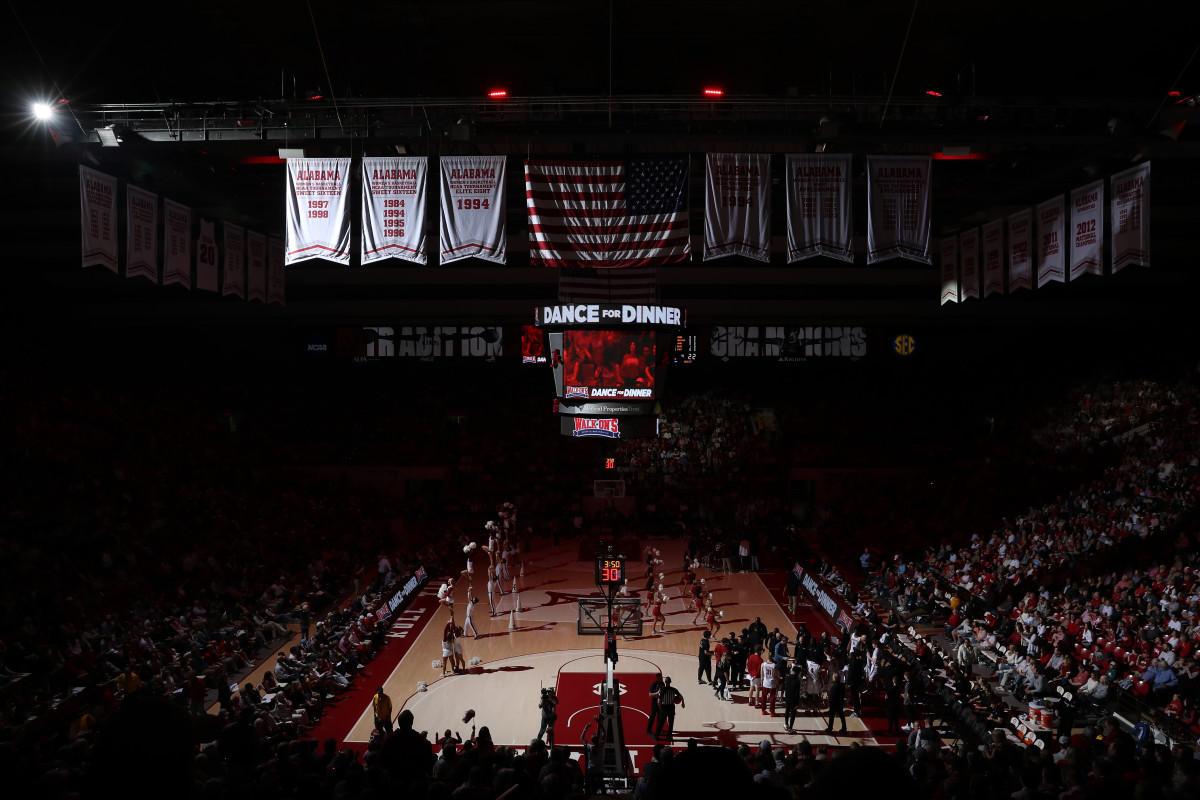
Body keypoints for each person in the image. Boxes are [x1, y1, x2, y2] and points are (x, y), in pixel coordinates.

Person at [783, 665, 803, 733]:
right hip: (793, 699)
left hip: (787, 697)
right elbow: (797, 693)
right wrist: (797, 702)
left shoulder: (787, 678)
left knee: (787, 710)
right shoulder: (797, 681)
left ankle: (785, 724)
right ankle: (790, 728)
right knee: (793, 714)